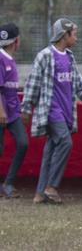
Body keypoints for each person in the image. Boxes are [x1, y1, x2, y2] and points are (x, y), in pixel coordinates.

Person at [20, 19, 82, 204]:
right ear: (64, 35)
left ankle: (39, 194)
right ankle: (52, 186)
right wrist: (26, 108)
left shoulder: (69, 57)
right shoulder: (45, 56)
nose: (76, 37)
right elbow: (33, 83)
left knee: (50, 151)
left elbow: (80, 86)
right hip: (52, 111)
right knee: (65, 143)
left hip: (67, 113)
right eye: (74, 34)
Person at [0, 23, 27, 199]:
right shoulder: (1, 58)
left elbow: (9, 86)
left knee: (23, 143)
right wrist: (1, 112)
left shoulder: (10, 58)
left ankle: (8, 183)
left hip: (13, 112)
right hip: (2, 112)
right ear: (15, 41)